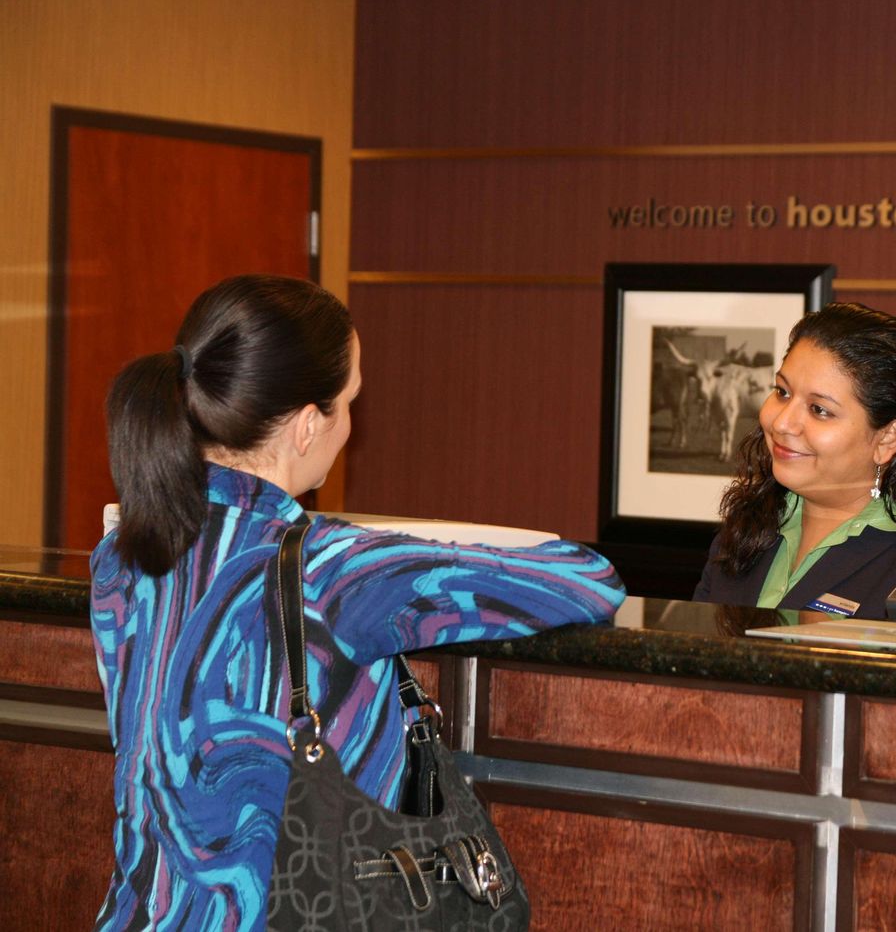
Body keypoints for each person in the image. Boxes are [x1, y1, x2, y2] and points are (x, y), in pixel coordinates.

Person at [89, 274, 625, 930]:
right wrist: (405, 550)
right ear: (309, 424)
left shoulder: (120, 558)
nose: (351, 425)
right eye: (349, 404)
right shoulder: (336, 568)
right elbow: (588, 580)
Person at [694, 302, 896, 618]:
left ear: (887, 438)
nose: (781, 422)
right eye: (782, 392)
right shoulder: (747, 527)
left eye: (819, 410)